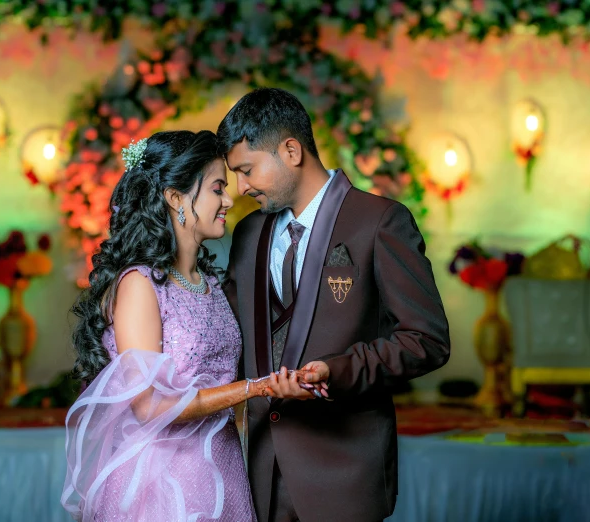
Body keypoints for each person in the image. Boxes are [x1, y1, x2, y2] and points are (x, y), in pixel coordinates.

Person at [218, 87, 451, 522]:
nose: (240, 188)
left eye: (247, 170)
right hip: (259, 477)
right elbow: (231, 331)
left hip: (345, 473)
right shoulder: (248, 234)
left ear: (291, 150)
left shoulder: (380, 221)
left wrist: (337, 371)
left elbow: (427, 340)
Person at [62, 130, 279, 521]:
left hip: (224, 467)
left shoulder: (210, 283)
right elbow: (148, 406)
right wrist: (253, 388)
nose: (229, 200)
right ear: (176, 198)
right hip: (163, 484)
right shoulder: (138, 284)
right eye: (217, 188)